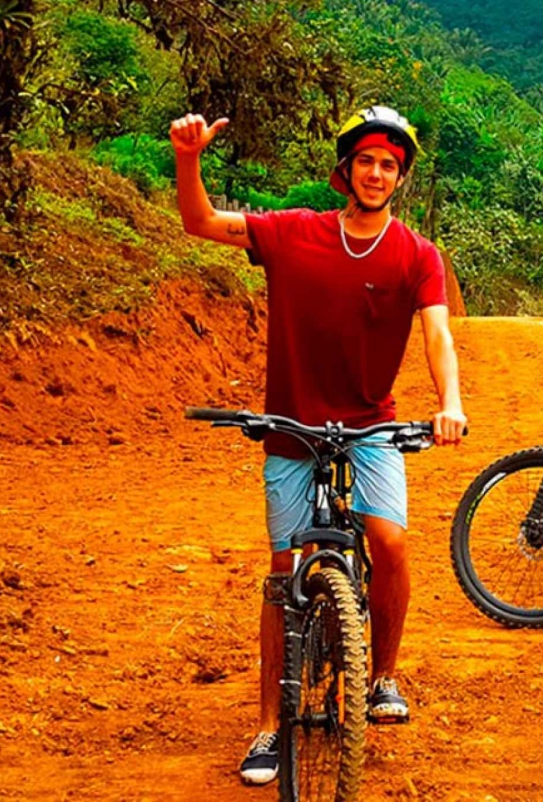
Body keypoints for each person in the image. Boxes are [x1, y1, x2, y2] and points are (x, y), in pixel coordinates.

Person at [171, 106, 467, 785]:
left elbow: (438, 336)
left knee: (390, 542)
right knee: (283, 573)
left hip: (373, 426)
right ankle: (270, 723)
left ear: (401, 177)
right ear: (345, 169)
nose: (376, 172)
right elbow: (201, 222)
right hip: (292, 427)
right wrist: (189, 160)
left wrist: (449, 401)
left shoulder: (418, 254)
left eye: (389, 164)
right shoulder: (294, 232)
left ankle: (383, 673)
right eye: (366, 160)